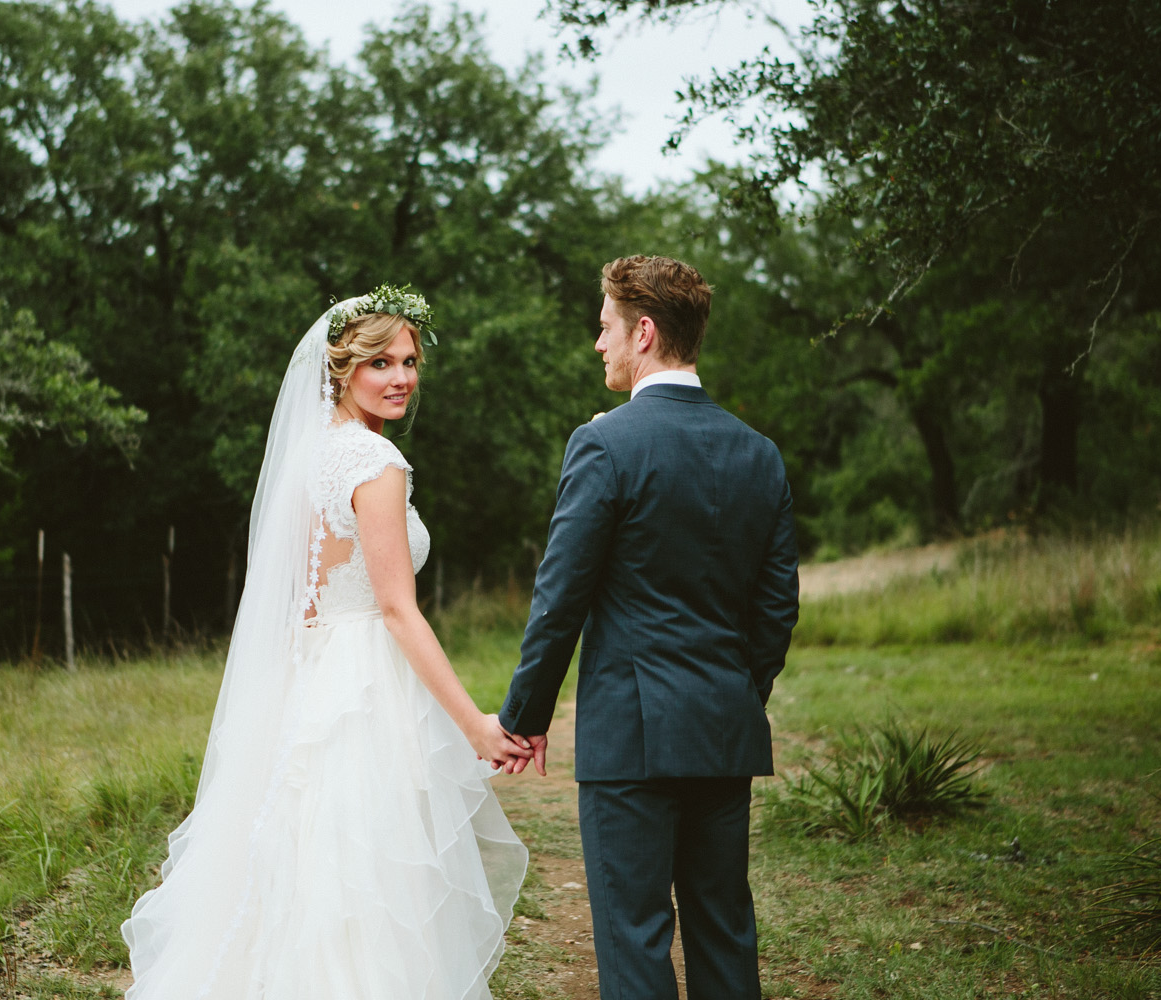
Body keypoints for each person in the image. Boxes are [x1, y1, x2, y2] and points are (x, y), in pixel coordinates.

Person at [121, 286, 531, 1000]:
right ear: (342, 370)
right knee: (365, 873)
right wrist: (476, 726)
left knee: (303, 861)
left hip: (307, 675)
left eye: (410, 361)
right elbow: (399, 611)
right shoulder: (374, 463)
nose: (401, 377)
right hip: (363, 684)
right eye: (381, 362)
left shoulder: (309, 456)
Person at [500, 256, 799, 999]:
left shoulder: (604, 444)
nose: (597, 344)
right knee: (724, 927)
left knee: (634, 938)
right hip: (724, 729)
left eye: (604, 328)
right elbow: (775, 610)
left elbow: (559, 598)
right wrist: (734, 691)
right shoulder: (759, 455)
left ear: (644, 331)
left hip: (629, 740)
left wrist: (526, 716)